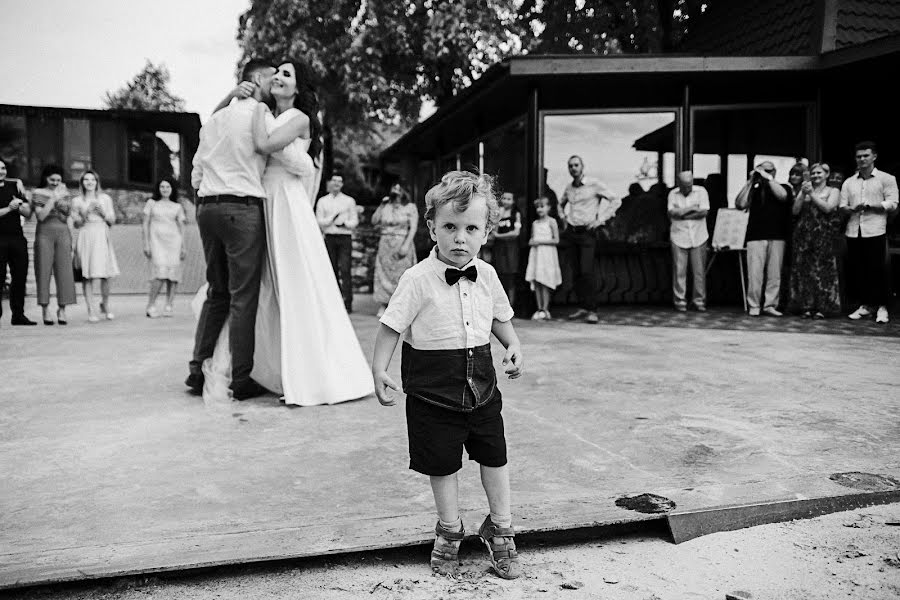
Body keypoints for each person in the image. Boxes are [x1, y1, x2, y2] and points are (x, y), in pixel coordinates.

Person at [371, 170, 524, 580]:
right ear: (431, 228)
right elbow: (391, 327)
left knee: (495, 456)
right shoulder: (417, 279)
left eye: (471, 228)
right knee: (442, 464)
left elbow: (500, 319)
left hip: (482, 389)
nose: (460, 238)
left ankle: (501, 526)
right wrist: (379, 368)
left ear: (487, 231)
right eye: (450, 227)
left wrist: (512, 344)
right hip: (433, 393)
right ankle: (450, 528)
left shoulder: (487, 275)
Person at [199, 58, 374, 406]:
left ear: (299, 88)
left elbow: (264, 146)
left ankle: (308, 375)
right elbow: (221, 128)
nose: (278, 77)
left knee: (294, 284)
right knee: (265, 288)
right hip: (263, 200)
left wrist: (255, 111)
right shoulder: (266, 113)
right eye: (276, 72)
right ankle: (273, 368)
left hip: (286, 206)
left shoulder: (299, 118)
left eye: (286, 74)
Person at [188, 58, 277, 400]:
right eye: (272, 77)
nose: (275, 84)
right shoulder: (260, 116)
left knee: (217, 292)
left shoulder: (215, 119)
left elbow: (196, 171)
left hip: (207, 207)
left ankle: (197, 370)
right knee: (243, 296)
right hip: (241, 208)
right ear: (256, 79)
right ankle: (240, 378)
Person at [839, 141, 899, 324]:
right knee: (858, 270)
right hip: (853, 230)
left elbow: (893, 203)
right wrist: (852, 209)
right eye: (859, 156)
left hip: (875, 230)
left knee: (878, 270)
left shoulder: (886, 178)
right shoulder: (849, 182)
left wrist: (872, 206)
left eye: (866, 155)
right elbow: (842, 207)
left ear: (874, 156)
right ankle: (865, 306)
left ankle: (882, 307)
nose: (862, 159)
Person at [558, 155, 620, 323]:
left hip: (587, 232)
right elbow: (560, 203)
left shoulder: (594, 185)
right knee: (576, 271)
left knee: (587, 271)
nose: (573, 168)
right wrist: (563, 218)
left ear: (582, 167)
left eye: (576, 165)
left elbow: (615, 200)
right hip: (572, 232)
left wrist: (601, 220)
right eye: (570, 166)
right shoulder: (569, 188)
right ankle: (582, 307)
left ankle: (592, 309)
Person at [735, 161, 792, 316]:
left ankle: (770, 305)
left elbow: (783, 196)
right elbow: (740, 204)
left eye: (768, 170)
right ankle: (754, 304)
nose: (764, 173)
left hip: (777, 235)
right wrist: (750, 182)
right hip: (755, 235)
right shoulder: (753, 189)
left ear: (774, 171)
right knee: (754, 273)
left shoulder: (783, 186)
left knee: (774, 274)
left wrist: (768, 178)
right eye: (762, 170)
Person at [788, 163, 840, 318]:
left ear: (826, 175)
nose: (816, 176)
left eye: (819, 173)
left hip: (823, 234)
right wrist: (803, 194)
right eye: (813, 173)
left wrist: (813, 194)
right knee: (804, 270)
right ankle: (806, 306)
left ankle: (823, 307)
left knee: (823, 270)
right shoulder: (804, 190)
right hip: (804, 234)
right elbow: (795, 210)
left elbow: (828, 208)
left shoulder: (833, 191)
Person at [31, 164, 76, 325]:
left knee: (64, 271)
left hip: (63, 232)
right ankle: (45, 308)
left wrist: (71, 238)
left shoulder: (66, 194)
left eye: (58, 179)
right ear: (45, 178)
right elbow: (41, 216)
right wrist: (54, 198)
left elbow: (68, 216)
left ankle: (62, 309)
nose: (56, 182)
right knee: (43, 270)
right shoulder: (37, 193)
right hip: (44, 232)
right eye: (52, 179)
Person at [72, 170, 119, 323]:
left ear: (97, 182)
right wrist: (86, 213)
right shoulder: (77, 201)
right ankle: (90, 309)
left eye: (92, 179)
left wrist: (102, 213)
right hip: (86, 235)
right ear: (82, 183)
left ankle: (105, 305)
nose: (90, 182)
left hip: (101, 233)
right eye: (86, 180)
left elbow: (112, 222)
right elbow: (76, 224)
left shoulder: (105, 199)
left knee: (106, 274)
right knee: (88, 274)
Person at [142, 175, 187, 318]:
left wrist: (183, 246)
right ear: (158, 188)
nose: (165, 189)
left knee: (172, 275)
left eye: (168, 187)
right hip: (157, 242)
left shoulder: (177, 206)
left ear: (172, 189)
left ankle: (169, 304)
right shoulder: (151, 203)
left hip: (174, 242)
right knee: (159, 274)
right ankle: (151, 304)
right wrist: (146, 243)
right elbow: (145, 224)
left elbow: (182, 227)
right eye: (162, 186)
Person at [372, 182, 418, 317]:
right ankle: (384, 303)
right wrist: (381, 206)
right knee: (383, 273)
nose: (396, 191)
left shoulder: (410, 207)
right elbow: (374, 221)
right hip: (385, 243)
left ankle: (401, 305)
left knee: (402, 274)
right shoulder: (386, 206)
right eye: (394, 188)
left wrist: (406, 245)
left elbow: (413, 228)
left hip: (401, 241)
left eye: (399, 188)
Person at [667, 171, 710, 312]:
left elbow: (703, 212)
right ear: (679, 184)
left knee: (699, 271)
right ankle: (680, 301)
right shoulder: (672, 194)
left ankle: (699, 300)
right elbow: (672, 213)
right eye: (685, 186)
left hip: (699, 236)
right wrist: (692, 209)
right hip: (679, 236)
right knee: (679, 270)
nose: (688, 188)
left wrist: (682, 213)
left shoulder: (701, 191)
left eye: (689, 185)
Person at [0, 159, 36, 326]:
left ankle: (18, 315)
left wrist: (20, 206)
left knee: (20, 276)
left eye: (3, 168)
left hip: (17, 237)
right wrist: (10, 207)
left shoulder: (15, 186)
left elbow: (28, 213)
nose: (1, 171)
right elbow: (8, 209)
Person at [316, 174, 358, 312]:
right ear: (330, 182)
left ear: (342, 184)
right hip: (329, 236)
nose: (336, 183)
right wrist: (332, 219)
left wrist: (345, 223)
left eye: (339, 181)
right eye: (334, 181)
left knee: (345, 269)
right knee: (331, 269)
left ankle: (348, 302)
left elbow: (354, 221)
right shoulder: (322, 201)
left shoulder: (349, 201)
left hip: (344, 236)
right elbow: (319, 220)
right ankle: (334, 301)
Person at [525, 196, 561, 320]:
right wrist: (532, 242)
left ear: (549, 208)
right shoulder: (535, 223)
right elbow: (532, 238)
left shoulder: (552, 221)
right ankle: (539, 307)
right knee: (537, 281)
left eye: (542, 206)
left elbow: (556, 240)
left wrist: (539, 242)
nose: (540, 209)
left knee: (545, 281)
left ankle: (545, 309)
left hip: (547, 254)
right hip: (536, 254)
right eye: (538, 207)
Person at [491, 191, 521, 309]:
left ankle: (510, 306)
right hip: (499, 248)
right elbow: (495, 231)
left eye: (509, 199)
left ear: (513, 201)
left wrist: (500, 237)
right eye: (504, 198)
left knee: (510, 278)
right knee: (499, 275)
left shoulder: (516, 214)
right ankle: (499, 306)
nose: (506, 201)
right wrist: (499, 216)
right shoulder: (499, 213)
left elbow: (516, 233)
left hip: (511, 248)